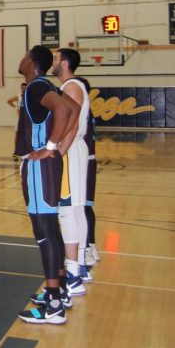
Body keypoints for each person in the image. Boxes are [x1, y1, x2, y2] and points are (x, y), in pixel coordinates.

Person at [14, 46, 78, 325]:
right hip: (47, 164)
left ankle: (53, 304)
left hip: (39, 166)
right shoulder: (43, 85)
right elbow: (75, 109)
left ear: (31, 62)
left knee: (44, 233)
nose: (21, 58)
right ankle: (60, 290)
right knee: (51, 228)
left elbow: (65, 109)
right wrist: (58, 149)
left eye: (24, 54)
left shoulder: (35, 88)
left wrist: (51, 147)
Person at [53, 48, 91, 297]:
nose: (53, 62)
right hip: (75, 149)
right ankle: (80, 266)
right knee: (76, 210)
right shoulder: (73, 86)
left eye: (56, 58)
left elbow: (72, 122)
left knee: (67, 211)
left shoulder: (72, 87)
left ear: (65, 63)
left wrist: (57, 153)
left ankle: (73, 275)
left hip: (70, 149)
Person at [76, 76, 100, 275]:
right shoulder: (86, 109)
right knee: (84, 207)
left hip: (86, 160)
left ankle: (89, 247)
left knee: (84, 207)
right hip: (86, 159)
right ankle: (89, 246)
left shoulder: (83, 111)